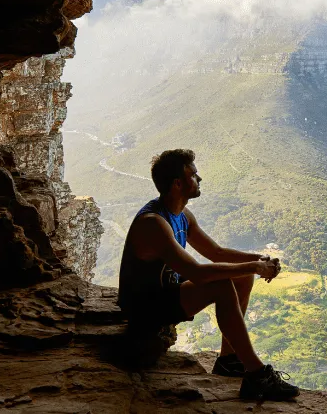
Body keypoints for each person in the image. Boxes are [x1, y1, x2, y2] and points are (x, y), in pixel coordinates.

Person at [117, 148, 299, 401]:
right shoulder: (153, 223)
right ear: (178, 183)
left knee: (240, 276)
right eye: (193, 174)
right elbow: (197, 273)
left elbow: (215, 252)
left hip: (165, 294)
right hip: (145, 307)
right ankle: (257, 376)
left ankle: (229, 360)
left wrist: (258, 260)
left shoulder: (181, 214)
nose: (199, 178)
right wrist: (256, 267)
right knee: (221, 286)